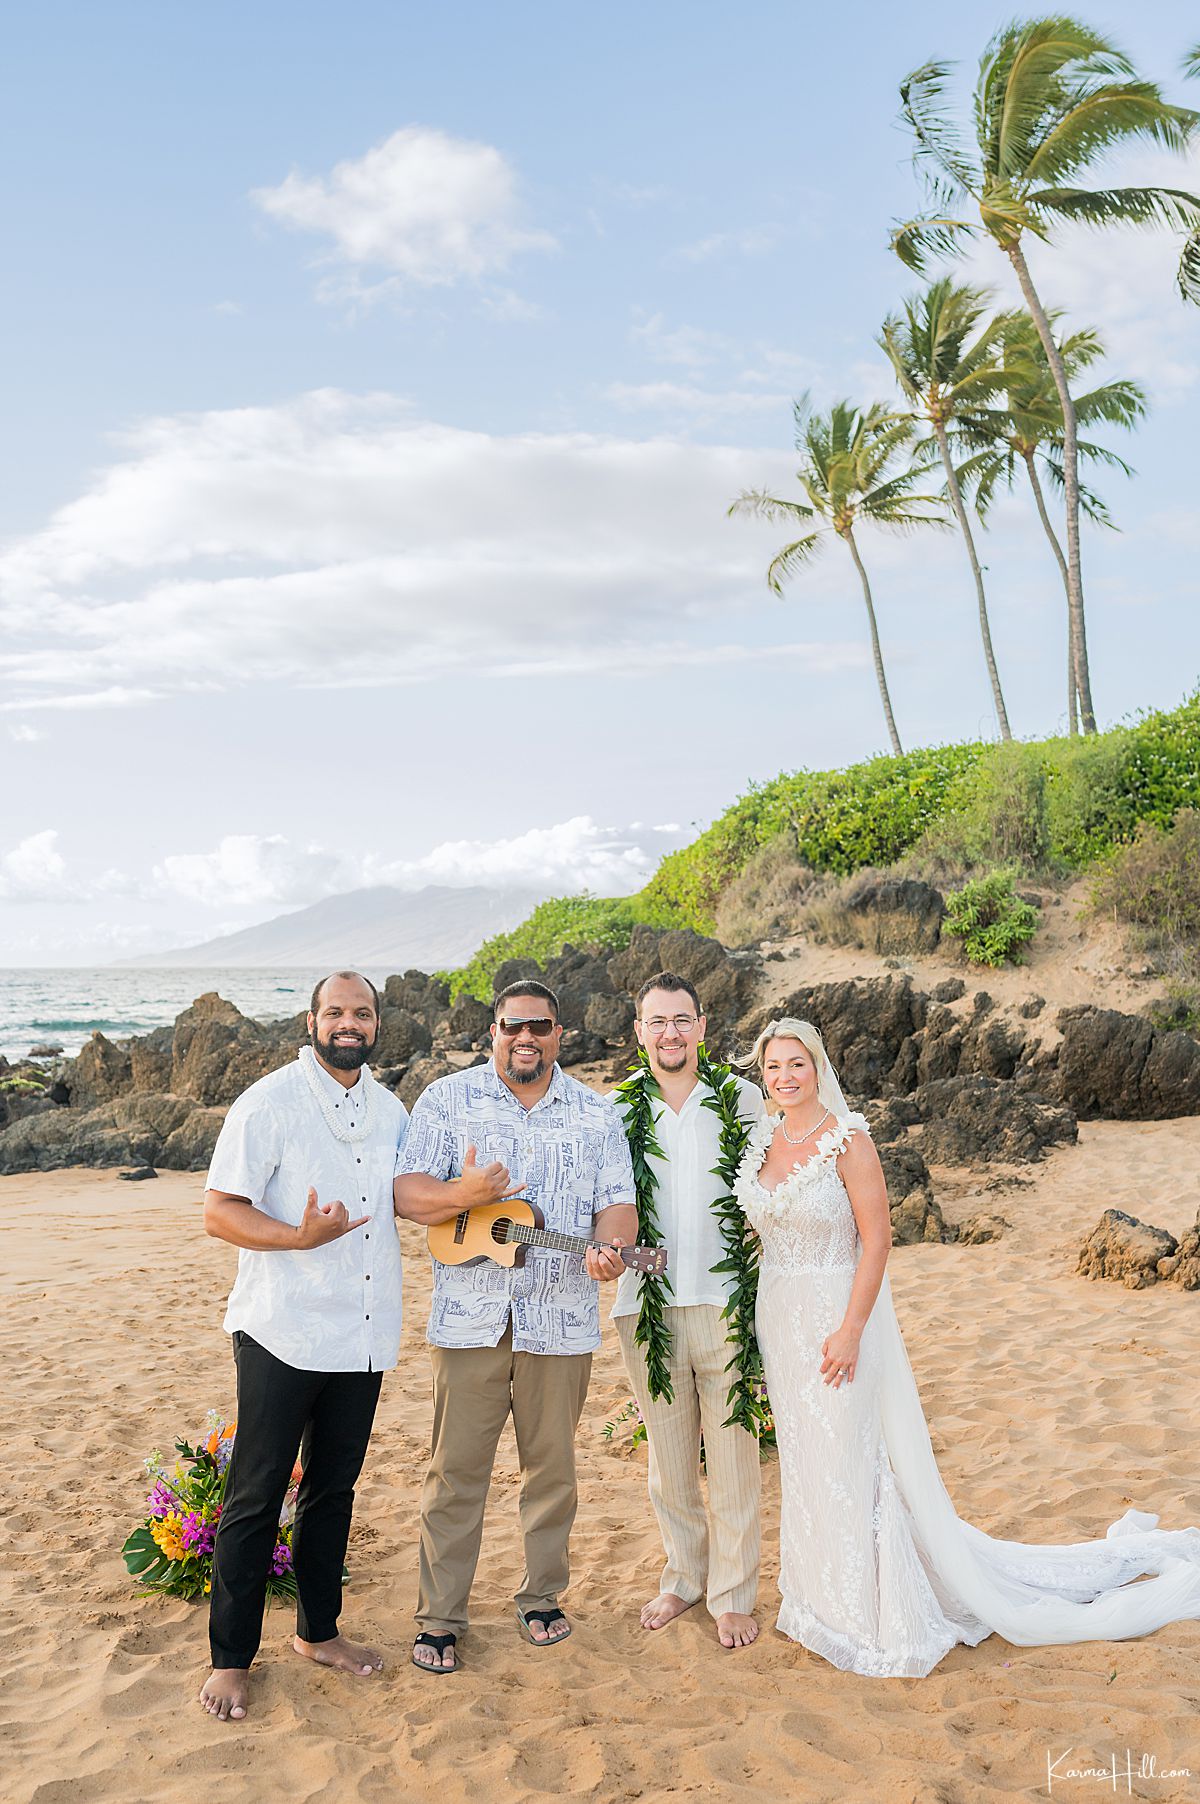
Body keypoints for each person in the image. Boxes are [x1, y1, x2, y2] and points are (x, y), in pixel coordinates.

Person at [734, 1015, 1200, 1678]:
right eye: (774, 1067)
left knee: (854, 1457)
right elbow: (762, 1230)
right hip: (777, 1317)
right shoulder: (763, 1142)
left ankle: (875, 1608)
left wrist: (850, 1329)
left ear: (818, 1067)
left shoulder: (849, 1140)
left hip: (838, 1315)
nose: (785, 1076)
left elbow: (877, 1241)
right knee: (810, 1459)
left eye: (796, 1064)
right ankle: (820, 1602)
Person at [394, 980, 637, 1674]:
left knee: (552, 1472)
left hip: (559, 1321)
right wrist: (465, 1196)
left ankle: (542, 1597)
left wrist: (612, 1250)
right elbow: (408, 1192)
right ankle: (440, 1617)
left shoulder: (597, 1114)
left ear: (561, 1032)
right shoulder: (446, 1100)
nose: (525, 1036)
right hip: (468, 1322)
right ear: (491, 1030)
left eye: (541, 1025)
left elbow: (618, 1207)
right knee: (454, 1474)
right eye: (512, 1026)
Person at [198, 971, 409, 1722]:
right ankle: (230, 1660)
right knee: (255, 1495)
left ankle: (320, 1633)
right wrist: (296, 1237)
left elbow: (410, 1200)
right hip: (282, 1328)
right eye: (335, 1012)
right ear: (312, 1019)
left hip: (363, 1329)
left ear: (376, 1024)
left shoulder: (390, 1110)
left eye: (362, 1013)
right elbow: (220, 1212)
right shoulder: (269, 1102)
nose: (348, 1023)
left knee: (333, 1493)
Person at [611, 972, 766, 1649]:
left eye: (682, 1020)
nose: (669, 1033)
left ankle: (733, 1593)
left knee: (732, 1455)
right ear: (638, 1032)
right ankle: (683, 1578)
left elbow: (774, 1192)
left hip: (725, 1303)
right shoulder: (613, 1110)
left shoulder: (744, 1101)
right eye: (656, 1021)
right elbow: (600, 1210)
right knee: (669, 1460)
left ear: (702, 1027)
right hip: (643, 1307)